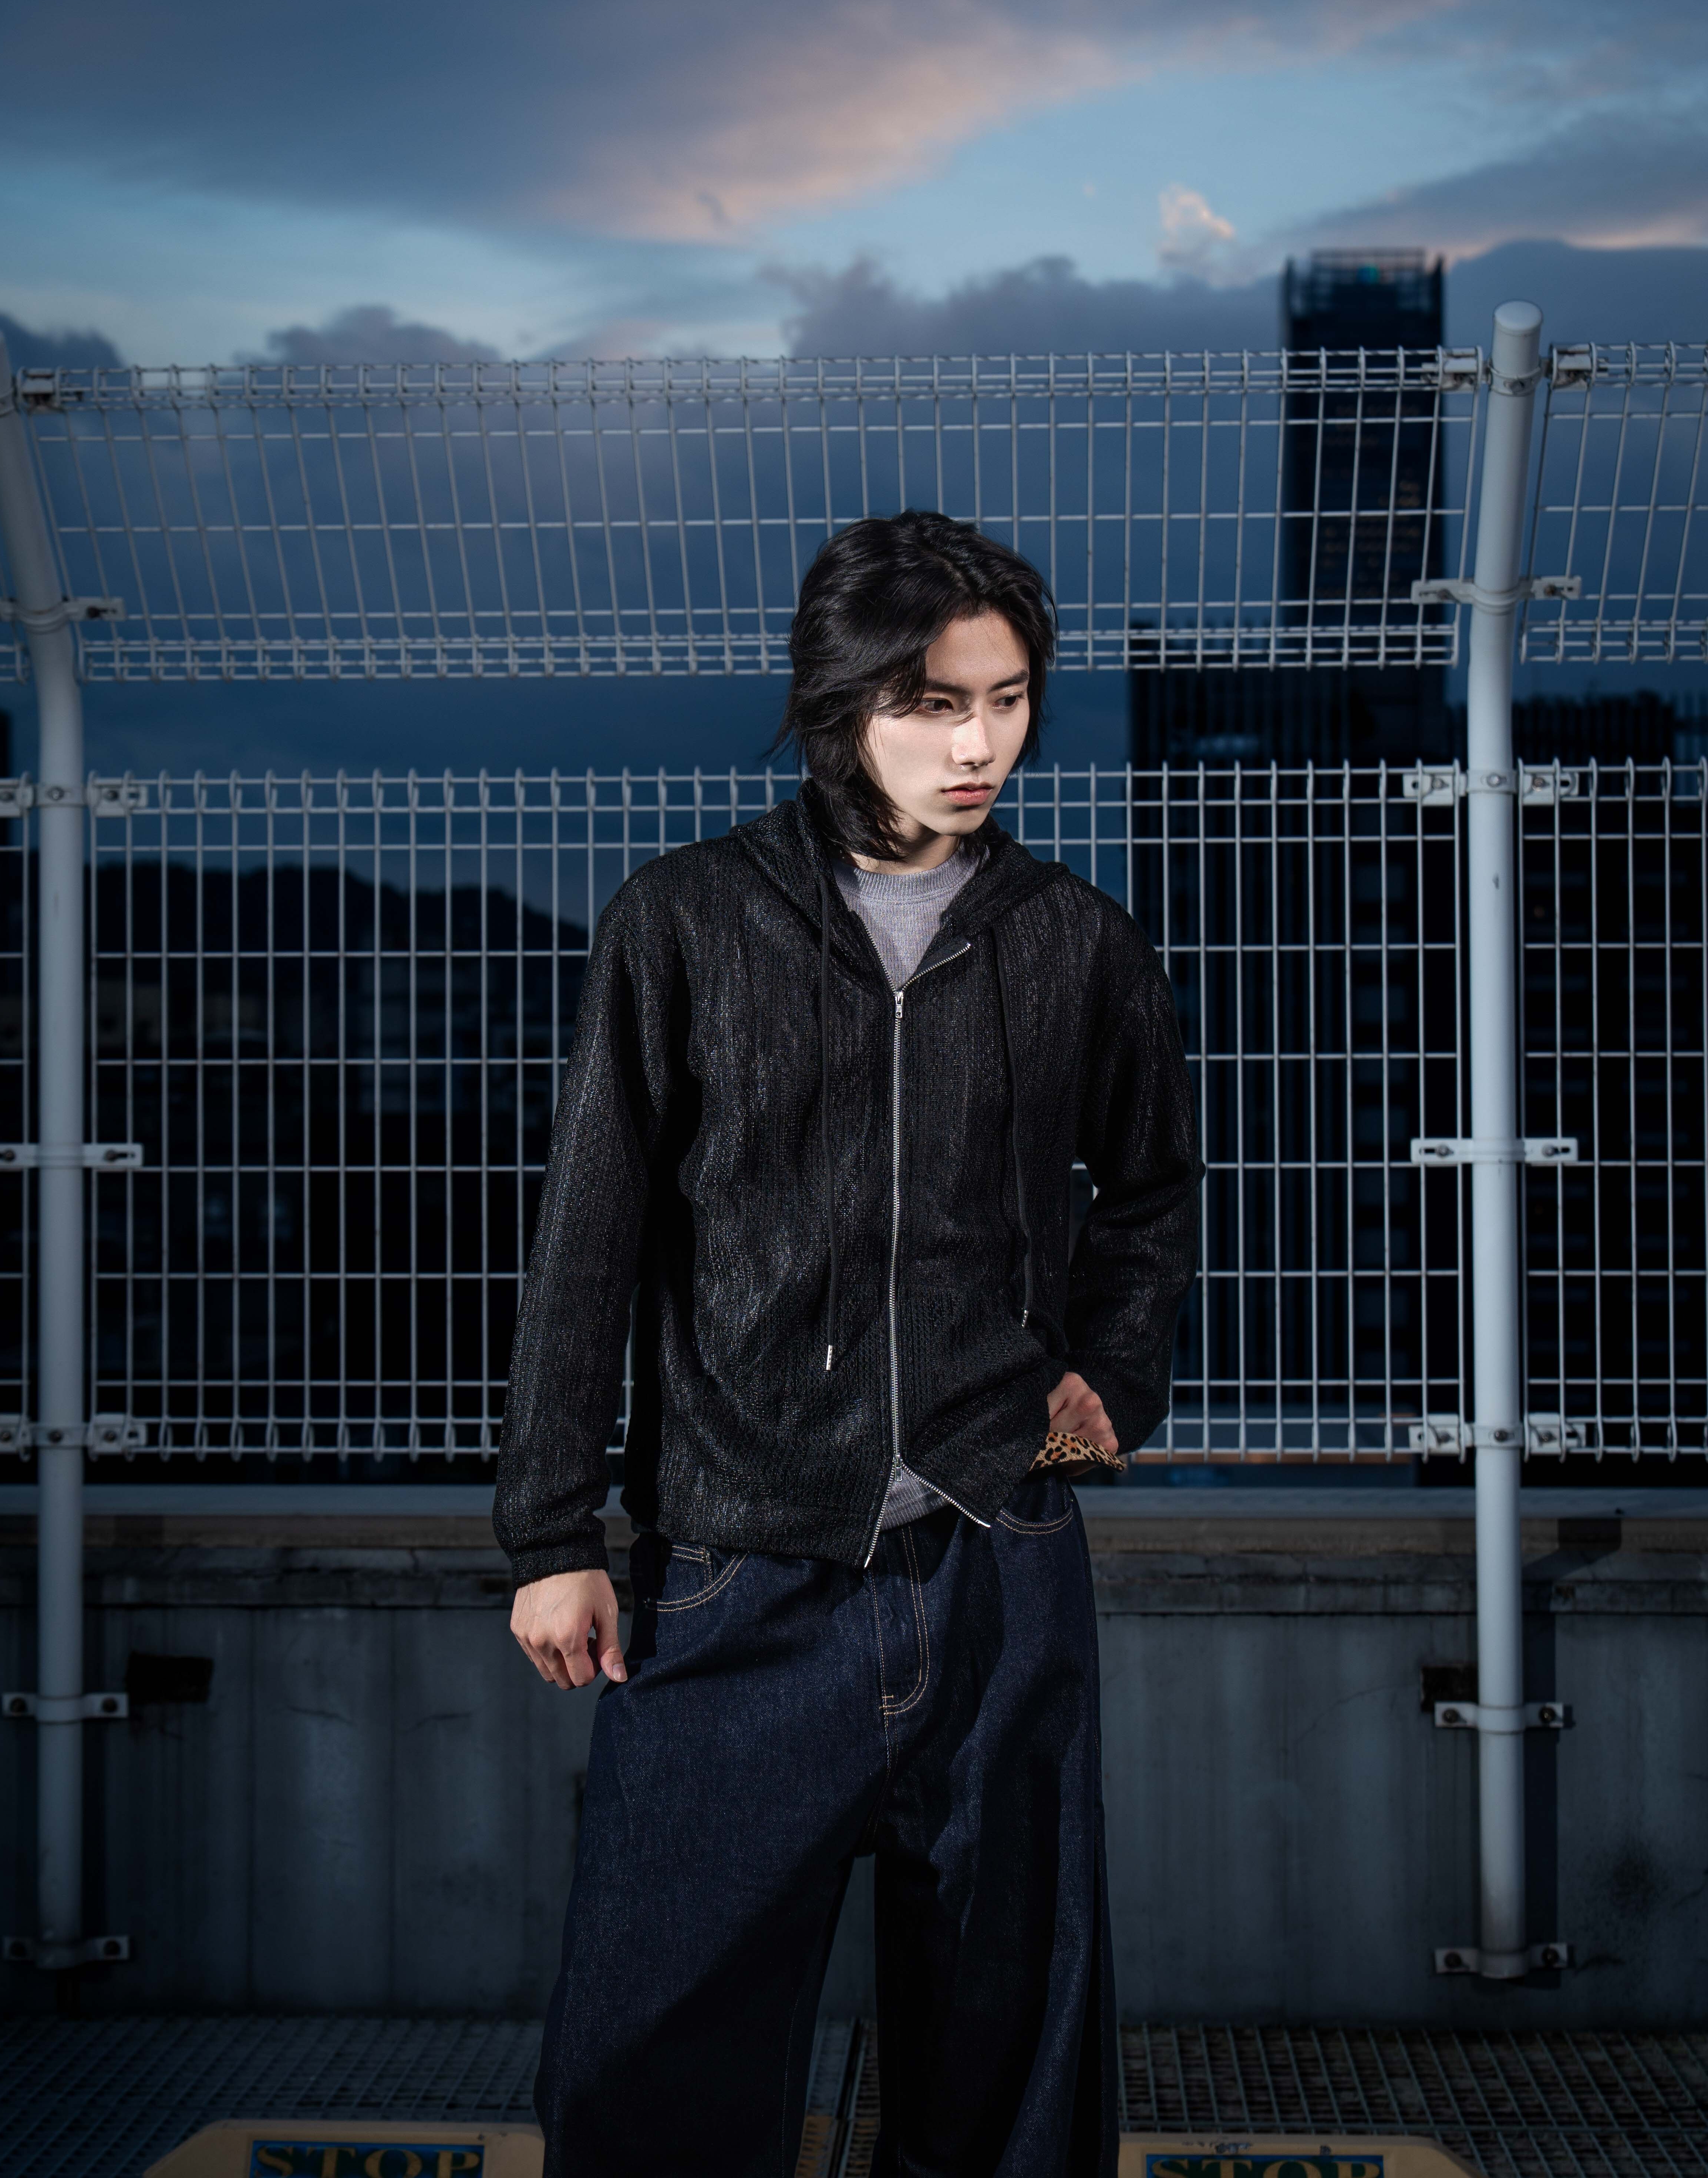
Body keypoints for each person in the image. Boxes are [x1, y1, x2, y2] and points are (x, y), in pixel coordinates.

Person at [493, 509, 1199, 2178]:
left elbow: (1153, 1188)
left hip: (996, 1552)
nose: (977, 746)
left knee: (1009, 2066)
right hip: (738, 1565)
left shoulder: (1074, 939)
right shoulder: (686, 921)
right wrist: (549, 1531)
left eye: (1006, 700)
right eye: (932, 704)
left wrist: (1114, 1378)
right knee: (652, 2064)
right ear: (841, 705)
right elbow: (591, 1235)